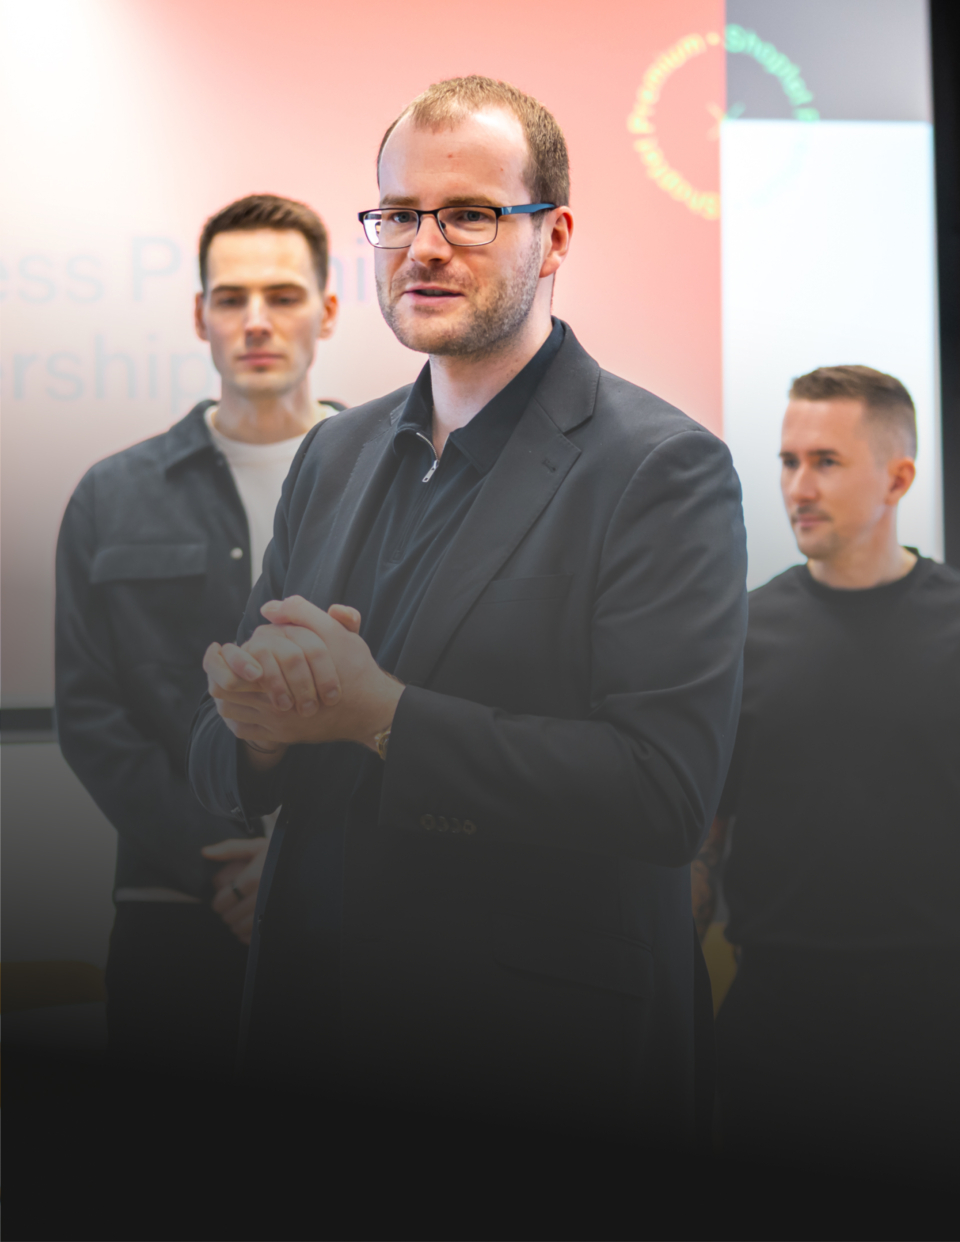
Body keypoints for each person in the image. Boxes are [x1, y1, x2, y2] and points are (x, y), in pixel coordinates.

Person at [189, 76, 747, 1143]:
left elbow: (664, 793)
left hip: (539, 1050)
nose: (425, 247)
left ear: (556, 236)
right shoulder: (335, 453)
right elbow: (220, 761)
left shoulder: (661, 468)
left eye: (471, 215)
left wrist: (382, 716)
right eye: (400, 214)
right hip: (312, 1018)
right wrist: (254, 730)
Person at [55, 193, 341, 1072]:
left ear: (328, 311)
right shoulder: (112, 495)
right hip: (176, 917)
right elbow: (91, 714)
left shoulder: (405, 481)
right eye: (231, 298)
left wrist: (301, 869)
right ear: (199, 315)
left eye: (283, 296)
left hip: (357, 916)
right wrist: (218, 863)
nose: (256, 321)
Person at [693, 366, 960, 1172]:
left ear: (898, 478)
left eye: (826, 462)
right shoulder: (743, 635)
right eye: (788, 461)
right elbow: (706, 838)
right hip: (775, 1031)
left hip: (934, 1030)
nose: (797, 487)